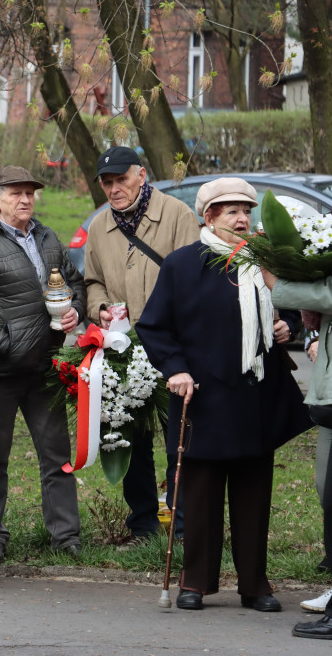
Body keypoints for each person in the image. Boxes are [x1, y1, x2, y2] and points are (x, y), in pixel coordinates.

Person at [137, 177, 311, 612]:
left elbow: (291, 305)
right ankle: (195, 582)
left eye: (246, 211)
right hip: (203, 395)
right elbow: (154, 326)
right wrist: (174, 370)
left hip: (256, 396)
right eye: (230, 210)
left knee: (254, 494)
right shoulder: (182, 264)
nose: (241, 218)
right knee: (201, 494)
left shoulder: (264, 261)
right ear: (208, 216)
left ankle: (254, 585)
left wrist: (288, 323)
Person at [83, 146, 199, 542]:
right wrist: (99, 306)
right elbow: (92, 279)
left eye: (121, 179)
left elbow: (193, 277)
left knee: (177, 439)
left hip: (172, 345)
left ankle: (182, 527)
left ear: (142, 174)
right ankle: (144, 523)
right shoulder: (100, 227)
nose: (114, 189)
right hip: (122, 347)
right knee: (130, 438)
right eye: (107, 182)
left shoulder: (177, 216)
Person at [0, 166, 84, 564]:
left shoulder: (47, 236)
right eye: (16, 193)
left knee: (57, 455)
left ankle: (65, 537)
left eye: (30, 194)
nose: (25, 200)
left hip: (43, 368)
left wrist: (74, 311)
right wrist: (4, 343)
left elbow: (74, 282)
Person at [266, 239, 332, 616]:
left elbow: (327, 294)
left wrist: (272, 278)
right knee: (327, 489)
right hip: (327, 397)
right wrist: (312, 335)